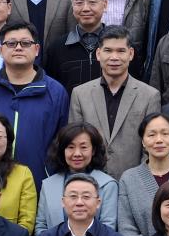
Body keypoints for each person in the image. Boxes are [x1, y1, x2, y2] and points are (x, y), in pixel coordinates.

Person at [0, 21, 70, 181]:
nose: (18, 48)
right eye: (11, 43)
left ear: (36, 49)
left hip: (40, 182)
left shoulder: (55, 92)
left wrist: (52, 178)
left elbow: (63, 144)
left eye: (25, 43)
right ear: (0, 50)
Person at [68, 26, 163, 177]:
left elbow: (150, 148)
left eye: (120, 51)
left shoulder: (150, 96)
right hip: (91, 182)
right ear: (98, 54)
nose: (114, 57)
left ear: (131, 54)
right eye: (108, 50)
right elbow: (75, 144)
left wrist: (139, 181)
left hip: (134, 182)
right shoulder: (80, 94)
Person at [36, 123, 119, 232]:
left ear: (93, 150)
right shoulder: (48, 185)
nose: (77, 153)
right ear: (62, 150)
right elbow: (41, 226)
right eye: (71, 147)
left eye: (83, 147)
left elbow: (108, 227)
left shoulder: (108, 185)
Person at [44, 0, 111, 94]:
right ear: (72, 7)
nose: (85, 8)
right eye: (79, 3)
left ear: (104, 5)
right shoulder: (57, 48)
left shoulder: (119, 46)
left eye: (92, 2)